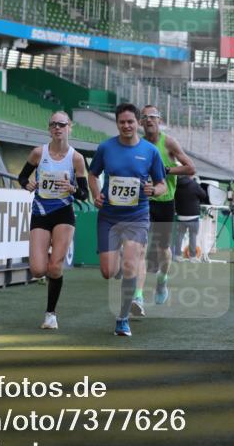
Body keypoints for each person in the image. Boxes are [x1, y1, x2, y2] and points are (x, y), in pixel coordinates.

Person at [88, 103, 166, 337]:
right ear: (117, 124)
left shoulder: (150, 152)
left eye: (130, 121)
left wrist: (155, 191)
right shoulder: (106, 148)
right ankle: (119, 260)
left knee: (131, 265)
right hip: (109, 218)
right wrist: (96, 194)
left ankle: (122, 319)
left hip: (137, 217)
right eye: (122, 122)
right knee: (107, 271)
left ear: (138, 123)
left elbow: (161, 184)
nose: (126, 126)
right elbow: (92, 175)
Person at [18, 111, 88, 330]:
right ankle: (47, 255)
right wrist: (26, 184)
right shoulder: (39, 153)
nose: (57, 128)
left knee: (55, 267)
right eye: (53, 124)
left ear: (70, 127)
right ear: (49, 129)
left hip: (63, 212)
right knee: (38, 270)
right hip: (40, 211)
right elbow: (22, 176)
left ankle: (50, 315)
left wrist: (73, 189)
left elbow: (84, 194)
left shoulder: (76, 158)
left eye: (61, 124)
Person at [131, 105, 196, 316]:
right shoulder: (136, 143)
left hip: (165, 201)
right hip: (143, 201)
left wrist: (166, 170)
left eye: (153, 117)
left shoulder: (168, 142)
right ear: (140, 122)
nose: (149, 120)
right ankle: (138, 297)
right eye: (145, 117)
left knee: (163, 251)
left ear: (159, 120)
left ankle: (162, 280)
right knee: (140, 249)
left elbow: (190, 168)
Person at [173, 174, 209, 261]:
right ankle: (192, 257)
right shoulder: (194, 184)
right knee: (193, 236)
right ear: (191, 175)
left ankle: (177, 255)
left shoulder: (176, 184)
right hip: (193, 216)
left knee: (179, 236)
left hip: (180, 216)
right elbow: (204, 195)